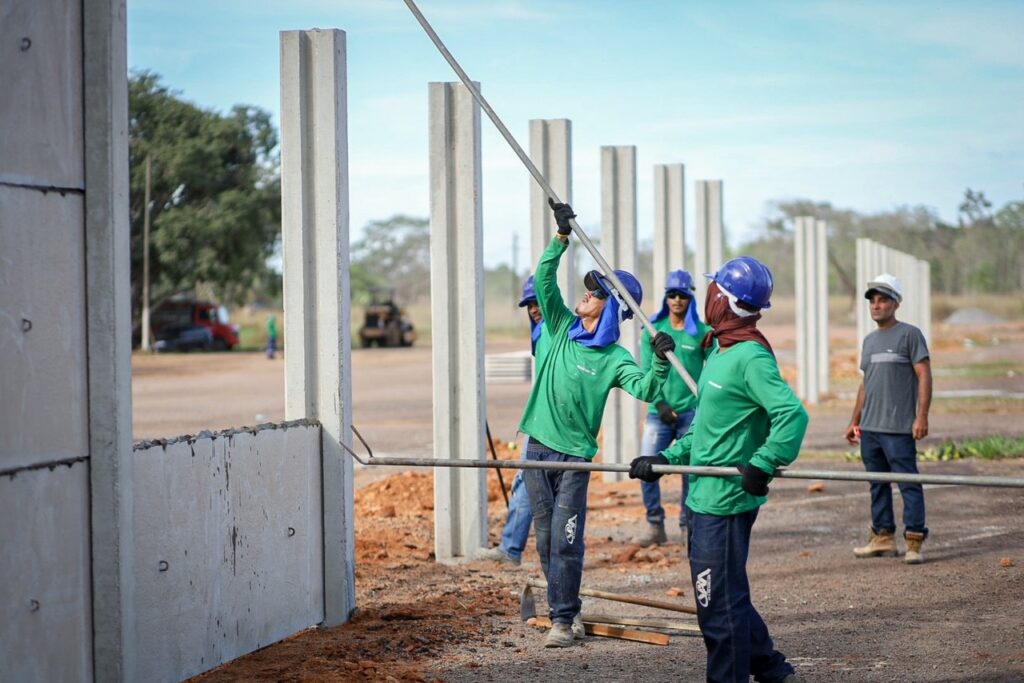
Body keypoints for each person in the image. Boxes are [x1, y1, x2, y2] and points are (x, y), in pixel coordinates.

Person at [630, 256, 806, 683]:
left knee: (715, 606)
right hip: (705, 494)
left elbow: (793, 416)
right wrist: (666, 459)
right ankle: (772, 669)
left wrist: (763, 462)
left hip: (725, 500)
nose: (704, 296)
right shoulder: (719, 350)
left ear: (722, 301)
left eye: (712, 290)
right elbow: (707, 432)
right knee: (727, 595)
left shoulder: (750, 357)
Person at [520, 198, 675, 648]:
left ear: (610, 308)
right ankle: (564, 609)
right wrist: (561, 237)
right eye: (588, 287)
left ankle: (563, 620)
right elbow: (545, 279)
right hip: (536, 448)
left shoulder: (614, 358)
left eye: (596, 291)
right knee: (546, 538)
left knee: (567, 541)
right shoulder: (557, 325)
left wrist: (661, 359)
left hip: (574, 457)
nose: (585, 293)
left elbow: (647, 389)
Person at [844, 273, 932, 564]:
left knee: (908, 483)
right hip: (870, 429)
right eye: (873, 300)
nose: (876, 305)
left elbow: (924, 375)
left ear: (896, 303)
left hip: (898, 428)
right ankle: (883, 537)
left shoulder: (910, 335)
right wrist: (854, 420)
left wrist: (921, 417)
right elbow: (865, 384)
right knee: (877, 483)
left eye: (883, 300)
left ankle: (914, 541)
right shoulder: (869, 341)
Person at [633, 269, 713, 547]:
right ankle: (655, 524)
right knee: (646, 465)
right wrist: (659, 403)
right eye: (672, 295)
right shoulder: (654, 331)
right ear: (666, 298)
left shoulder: (702, 333)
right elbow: (646, 371)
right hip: (660, 413)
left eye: (682, 295)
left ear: (690, 298)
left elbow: (712, 370)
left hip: (691, 412)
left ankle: (687, 525)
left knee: (691, 471)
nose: (677, 300)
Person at [480, 275, 546, 566]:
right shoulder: (542, 333)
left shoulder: (556, 332)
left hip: (550, 423)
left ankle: (513, 549)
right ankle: (512, 548)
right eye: (529, 305)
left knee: (533, 481)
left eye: (537, 302)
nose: (533, 309)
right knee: (527, 480)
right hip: (541, 420)